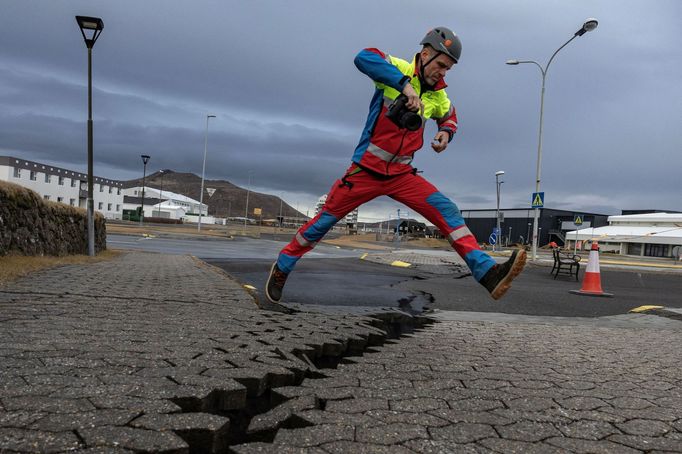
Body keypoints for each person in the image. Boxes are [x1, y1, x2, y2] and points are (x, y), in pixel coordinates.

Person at [266, 27, 526, 304]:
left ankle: (487, 273)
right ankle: (283, 265)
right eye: (440, 65)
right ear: (425, 54)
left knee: (447, 210)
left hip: (402, 175)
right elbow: (363, 57)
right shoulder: (397, 69)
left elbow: (450, 115)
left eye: (448, 69)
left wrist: (445, 133)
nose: (443, 72)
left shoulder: (438, 95)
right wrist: (404, 85)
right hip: (365, 171)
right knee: (323, 223)